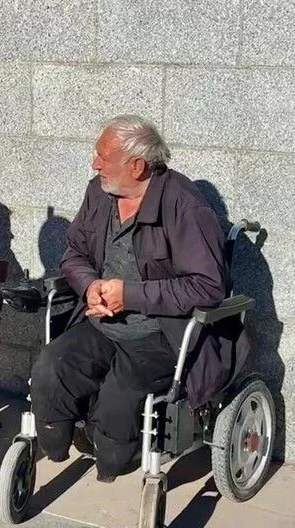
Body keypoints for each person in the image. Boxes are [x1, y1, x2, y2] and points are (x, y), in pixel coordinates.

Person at [29, 114, 247, 482]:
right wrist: (89, 287)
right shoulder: (99, 193)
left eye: (103, 157)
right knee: (51, 367)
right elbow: (73, 253)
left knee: (120, 396)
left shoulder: (185, 207)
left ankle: (114, 461)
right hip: (101, 322)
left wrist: (129, 294)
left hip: (162, 333)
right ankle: (57, 444)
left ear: (137, 165)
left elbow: (208, 287)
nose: (95, 163)